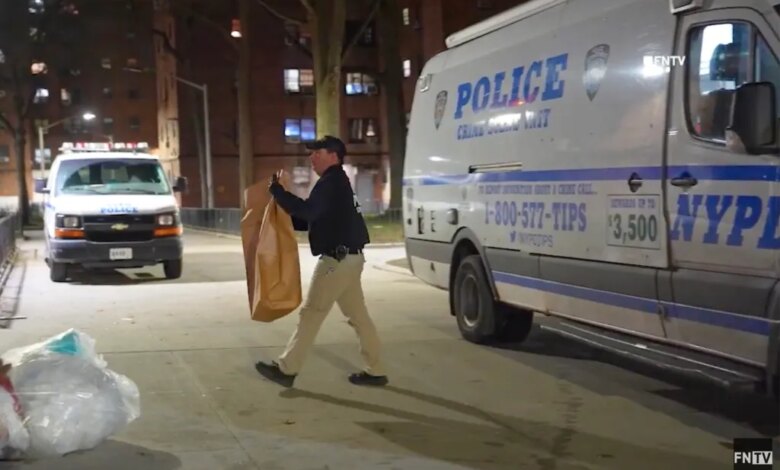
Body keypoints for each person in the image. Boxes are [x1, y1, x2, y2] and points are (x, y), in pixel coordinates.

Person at [254, 135, 388, 388]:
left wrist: (279, 193)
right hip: (349, 258)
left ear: (333, 156)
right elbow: (311, 218)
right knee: (358, 317)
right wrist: (281, 217)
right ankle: (376, 370)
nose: (311, 157)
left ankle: (287, 369)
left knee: (311, 314)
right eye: (311, 153)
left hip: (336, 261)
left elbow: (307, 211)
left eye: (317, 152)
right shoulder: (335, 182)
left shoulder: (332, 182)